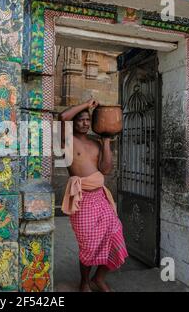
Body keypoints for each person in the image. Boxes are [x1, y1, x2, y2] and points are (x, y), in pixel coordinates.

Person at [59, 99, 128, 292]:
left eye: (87, 120)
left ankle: (99, 278)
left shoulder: (95, 143)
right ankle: (84, 282)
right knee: (89, 244)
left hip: (101, 198)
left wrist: (106, 143)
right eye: (80, 120)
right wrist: (87, 104)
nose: (84, 123)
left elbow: (105, 169)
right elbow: (62, 116)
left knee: (115, 237)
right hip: (82, 200)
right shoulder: (67, 141)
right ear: (74, 122)